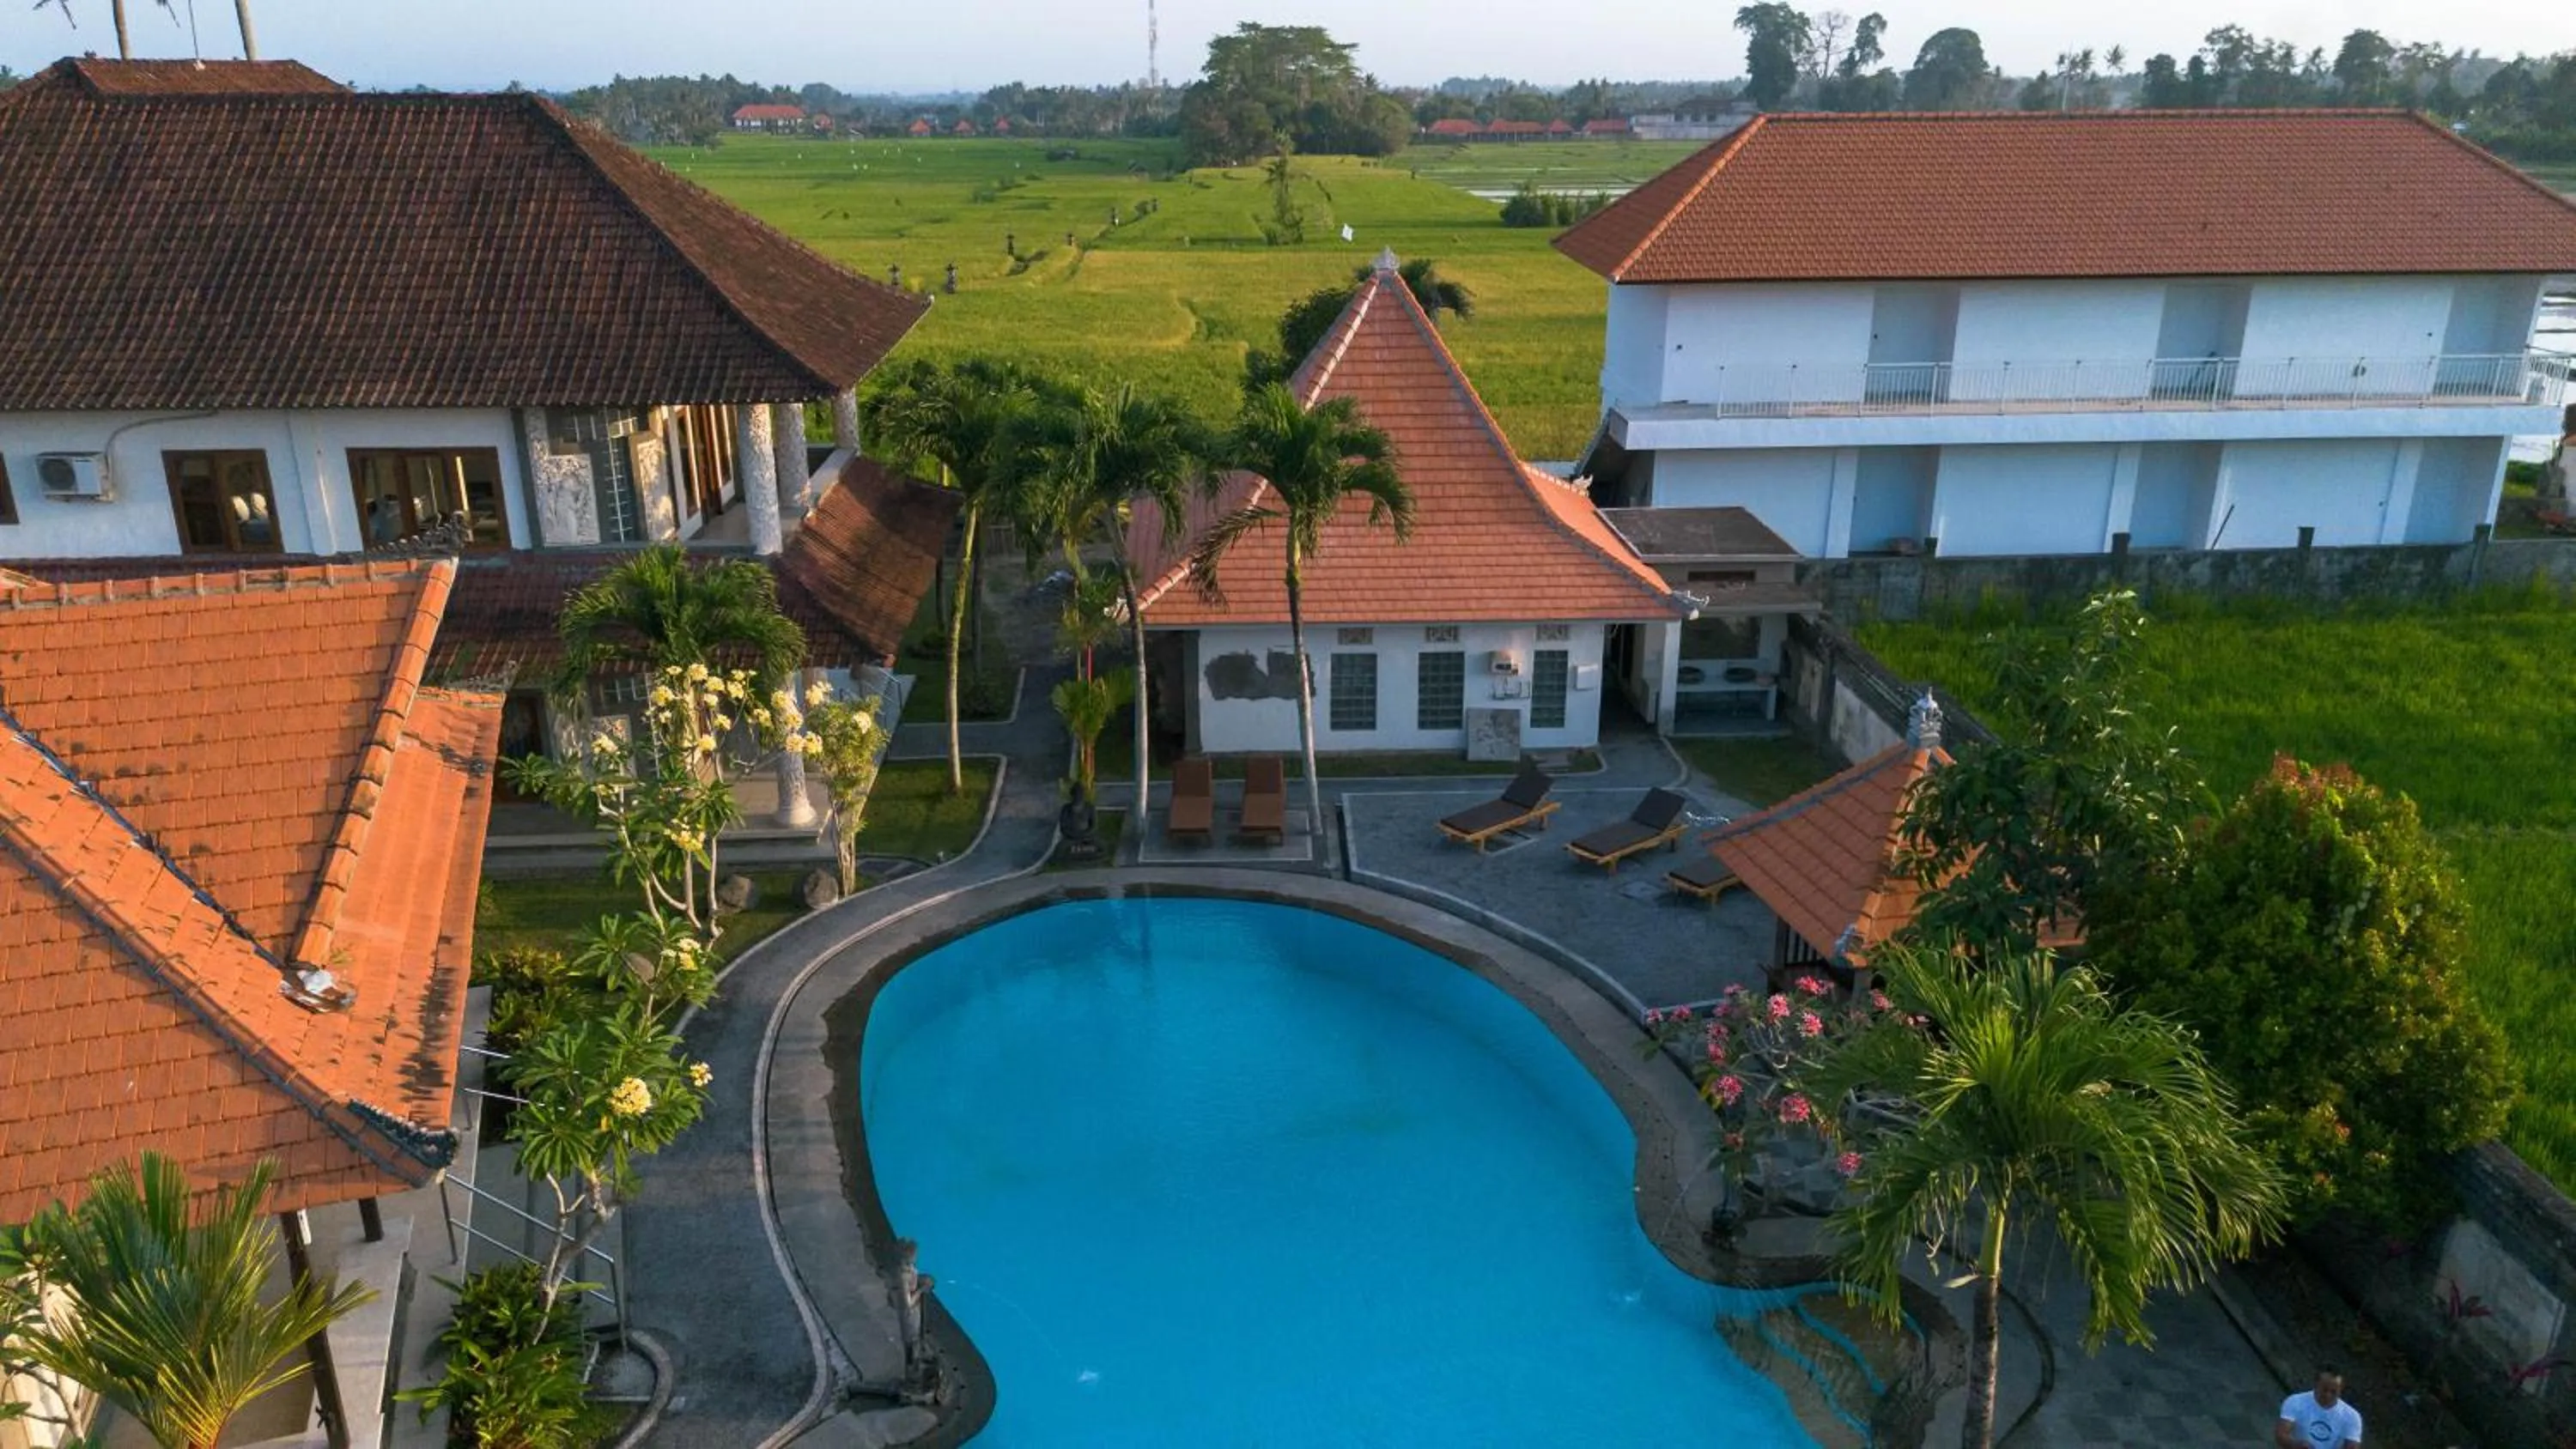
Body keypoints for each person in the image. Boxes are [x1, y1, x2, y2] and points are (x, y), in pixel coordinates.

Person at [2276, 1367, 2363, 1449]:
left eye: (2333, 1392)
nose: (2328, 1395)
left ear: (2341, 1390)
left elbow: (2352, 1446)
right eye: (2324, 1390)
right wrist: (2296, 1445)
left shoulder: (2352, 1417)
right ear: (2316, 1385)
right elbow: (2281, 1434)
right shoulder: (2295, 1401)